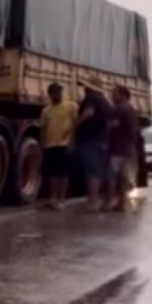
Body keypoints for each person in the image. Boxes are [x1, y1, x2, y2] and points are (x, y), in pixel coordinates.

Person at [73, 83, 112, 212]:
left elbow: (89, 112)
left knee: (92, 171)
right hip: (103, 139)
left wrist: (76, 124)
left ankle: (93, 202)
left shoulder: (90, 98)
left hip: (90, 139)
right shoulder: (105, 101)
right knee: (101, 171)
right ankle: (105, 200)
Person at [39, 82, 78, 210]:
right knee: (54, 173)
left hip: (64, 144)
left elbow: (75, 124)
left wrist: (72, 141)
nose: (58, 94)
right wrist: (43, 143)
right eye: (56, 92)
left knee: (63, 173)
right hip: (50, 145)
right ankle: (53, 198)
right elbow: (43, 128)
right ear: (50, 94)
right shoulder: (46, 110)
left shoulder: (70, 106)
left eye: (60, 91)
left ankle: (62, 199)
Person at [107, 85, 140, 211]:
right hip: (128, 148)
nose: (112, 96)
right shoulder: (131, 109)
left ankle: (110, 202)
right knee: (124, 177)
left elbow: (112, 127)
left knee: (112, 176)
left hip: (117, 149)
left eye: (114, 94)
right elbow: (134, 131)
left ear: (122, 95)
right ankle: (122, 202)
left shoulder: (119, 109)